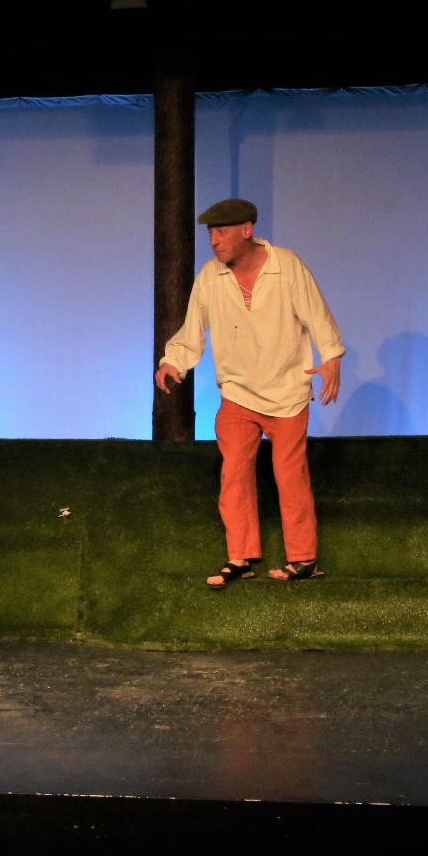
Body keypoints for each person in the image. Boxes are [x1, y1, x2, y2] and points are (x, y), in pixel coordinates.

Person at [154, 197, 344, 589]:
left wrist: (332, 358)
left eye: (222, 232)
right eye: (211, 233)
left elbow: (317, 315)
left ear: (247, 229)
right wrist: (174, 361)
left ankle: (303, 559)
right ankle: (239, 557)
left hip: (286, 391)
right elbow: (193, 327)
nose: (214, 241)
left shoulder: (285, 265)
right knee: (234, 473)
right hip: (238, 391)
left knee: (289, 475)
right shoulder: (211, 276)